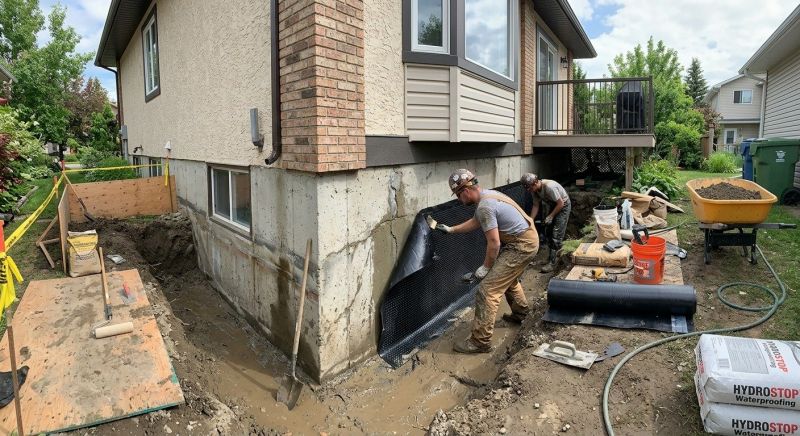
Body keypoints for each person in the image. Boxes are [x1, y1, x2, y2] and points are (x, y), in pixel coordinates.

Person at [434, 169, 539, 354]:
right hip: (526, 239)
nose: (459, 200)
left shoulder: (485, 206)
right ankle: (521, 313)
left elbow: (494, 243)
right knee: (507, 279)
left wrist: (485, 268)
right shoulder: (488, 195)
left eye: (458, 195)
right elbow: (476, 221)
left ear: (465, 190)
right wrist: (451, 230)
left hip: (521, 245)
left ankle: (480, 342)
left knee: (487, 291)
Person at [520, 173, 571, 273]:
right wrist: (531, 220)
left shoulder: (549, 187)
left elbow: (560, 204)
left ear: (535, 183)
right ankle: (550, 258)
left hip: (563, 206)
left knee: (556, 234)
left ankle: (553, 263)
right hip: (554, 205)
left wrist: (551, 216)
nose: (528, 191)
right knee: (548, 231)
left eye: (529, 188)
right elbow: (535, 205)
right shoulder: (534, 191)